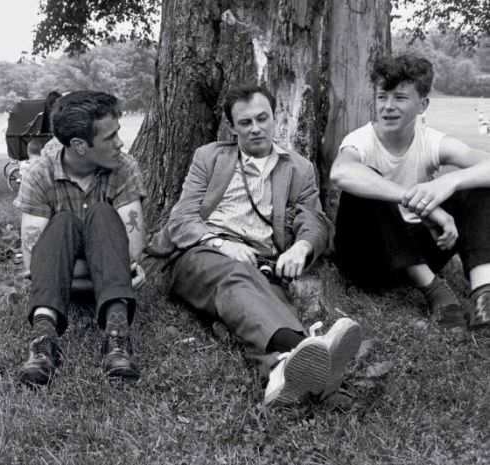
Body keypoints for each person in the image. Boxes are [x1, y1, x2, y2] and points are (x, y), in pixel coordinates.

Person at [146, 83, 363, 407]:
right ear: (232, 127)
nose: (256, 128)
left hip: (262, 261)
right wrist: (221, 243)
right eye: (245, 122)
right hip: (201, 254)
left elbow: (314, 220)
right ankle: (312, 361)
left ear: (275, 118)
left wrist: (301, 247)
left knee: (266, 305)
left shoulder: (298, 168)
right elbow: (182, 217)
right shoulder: (209, 157)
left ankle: (280, 373)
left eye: (263, 118)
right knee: (238, 278)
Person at [331, 54, 490, 330]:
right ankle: (435, 291)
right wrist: (422, 204)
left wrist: (448, 182)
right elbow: (341, 173)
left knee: (477, 184)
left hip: (420, 246)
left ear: (423, 104)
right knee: (365, 183)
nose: (388, 107)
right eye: (382, 97)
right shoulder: (360, 140)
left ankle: (483, 295)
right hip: (370, 260)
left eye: (400, 98)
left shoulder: (431, 141)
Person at [14, 90, 147, 388]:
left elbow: (132, 255)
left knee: (101, 212)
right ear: (79, 145)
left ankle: (116, 338)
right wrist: (108, 269)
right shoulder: (40, 174)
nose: (120, 143)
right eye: (110, 137)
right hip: (82, 287)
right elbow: (33, 263)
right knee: (62, 222)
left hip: (88, 285)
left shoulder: (124, 168)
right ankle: (43, 341)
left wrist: (57, 271)